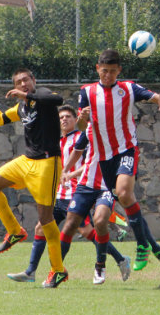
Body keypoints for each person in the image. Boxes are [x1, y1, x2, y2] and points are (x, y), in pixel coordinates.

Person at [71, 49, 160, 272]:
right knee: (126, 200)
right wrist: (82, 119)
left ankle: (141, 246)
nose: (107, 75)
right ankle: (155, 248)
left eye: (111, 71)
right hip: (103, 158)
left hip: (126, 150)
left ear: (119, 70)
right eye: (103, 71)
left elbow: (154, 96)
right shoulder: (87, 92)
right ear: (97, 69)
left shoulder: (128, 88)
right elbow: (82, 128)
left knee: (125, 193)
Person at [7, 105, 130, 284]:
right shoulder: (57, 141)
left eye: (68, 117)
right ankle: (31, 271)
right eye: (61, 117)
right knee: (40, 229)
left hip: (75, 194)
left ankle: (119, 259)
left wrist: (71, 174)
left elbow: (90, 164)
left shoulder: (82, 138)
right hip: (58, 196)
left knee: (88, 232)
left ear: (75, 120)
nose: (64, 120)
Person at [0, 70, 68, 289]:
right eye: (18, 82)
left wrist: (27, 96)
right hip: (26, 162)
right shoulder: (22, 107)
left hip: (47, 163)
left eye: (26, 80)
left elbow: (58, 99)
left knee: (45, 219)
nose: (23, 84)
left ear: (34, 81)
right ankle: (15, 231)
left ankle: (58, 270)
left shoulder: (42, 96)